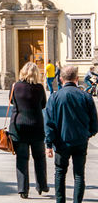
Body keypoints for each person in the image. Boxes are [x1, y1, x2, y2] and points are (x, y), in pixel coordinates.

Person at [45, 65, 98, 203]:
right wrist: (87, 134)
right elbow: (94, 122)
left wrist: (49, 144)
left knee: (60, 173)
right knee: (79, 174)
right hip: (80, 140)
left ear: (61, 79)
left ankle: (60, 201)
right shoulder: (85, 96)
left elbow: (50, 123)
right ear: (76, 78)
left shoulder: (55, 97)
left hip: (61, 141)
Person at [9, 62, 48, 199]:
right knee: (39, 157)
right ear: (36, 73)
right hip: (36, 126)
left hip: (19, 127)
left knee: (22, 158)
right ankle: (41, 185)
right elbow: (44, 104)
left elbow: (12, 101)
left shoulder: (15, 86)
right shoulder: (39, 88)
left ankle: (22, 189)